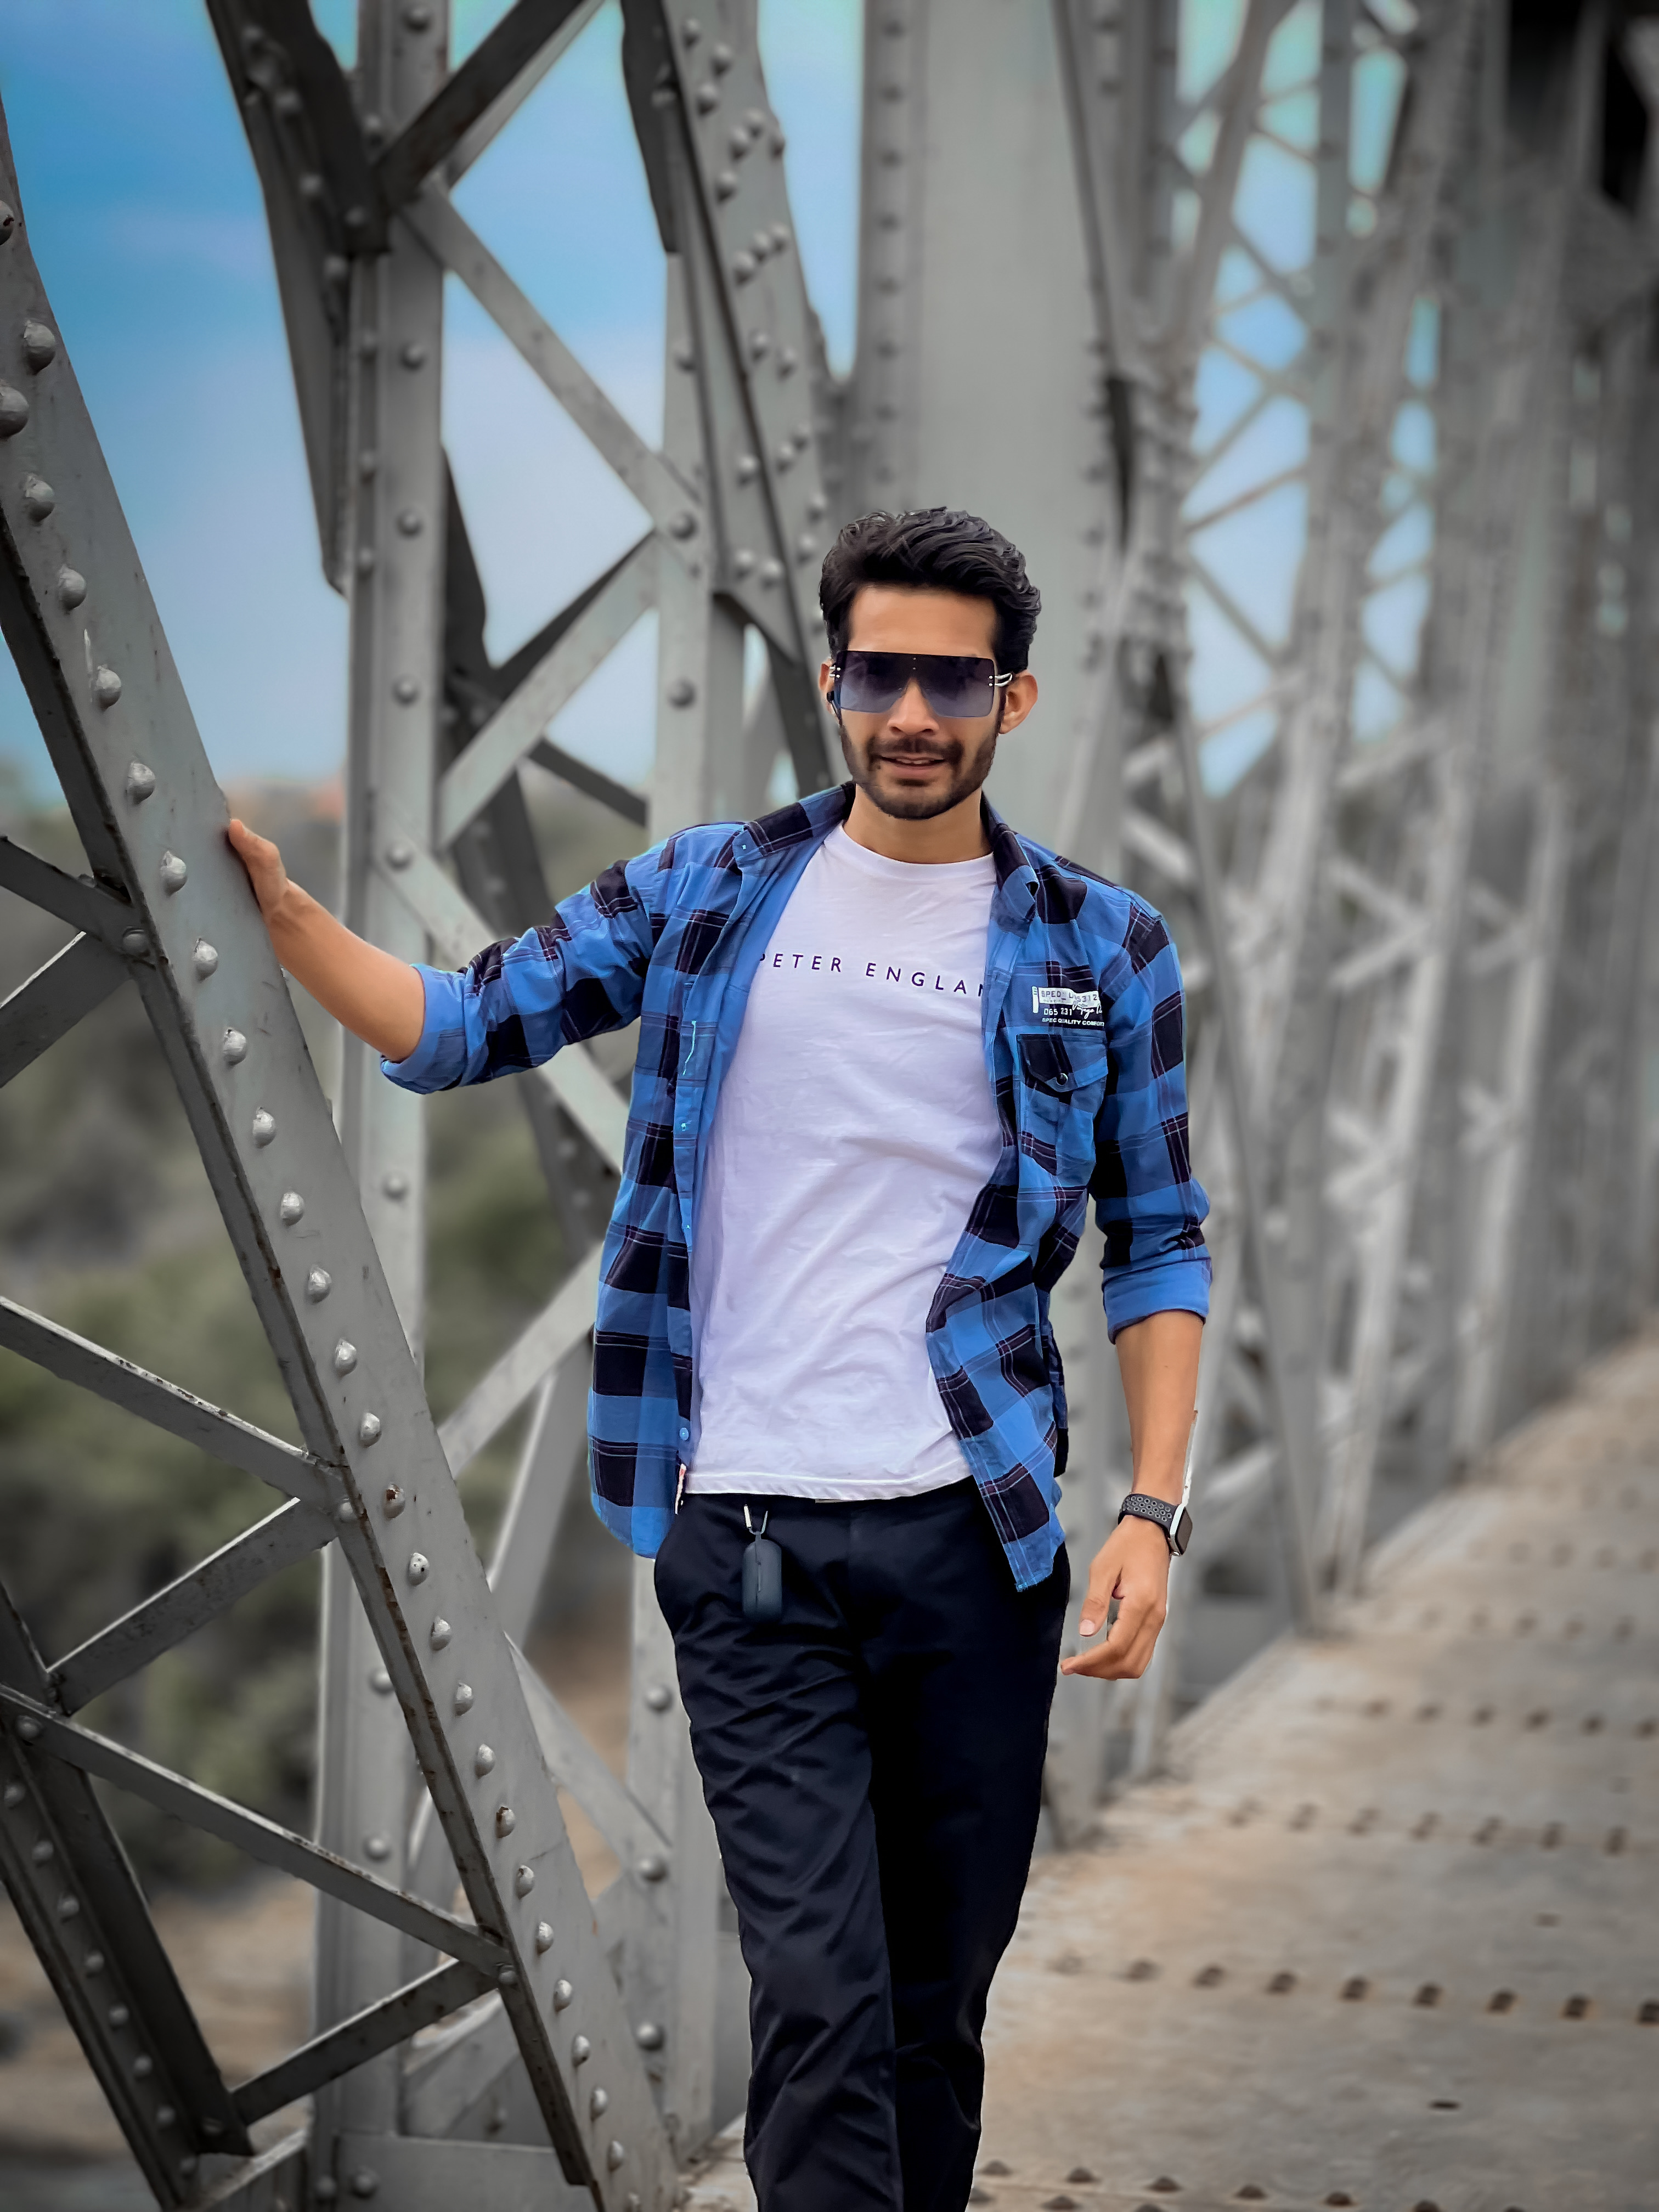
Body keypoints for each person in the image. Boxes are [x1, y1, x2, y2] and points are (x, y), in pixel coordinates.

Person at [229, 506, 1209, 2212]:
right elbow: (464, 1024)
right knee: (820, 2003)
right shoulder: (709, 887)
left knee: (931, 2016)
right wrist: (287, 918)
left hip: (977, 1543)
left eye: (955, 681)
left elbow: (1161, 1236)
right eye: (881, 675)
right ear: (833, 682)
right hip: (748, 1542)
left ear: (1015, 698)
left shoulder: (1099, 945)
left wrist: (1151, 1511)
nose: (915, 714)